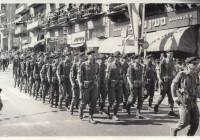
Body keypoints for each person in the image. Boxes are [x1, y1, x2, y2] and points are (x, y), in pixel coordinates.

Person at [170, 57, 199, 136]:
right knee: (184, 122)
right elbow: (173, 85)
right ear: (188, 65)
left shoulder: (195, 74)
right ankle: (173, 129)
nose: (196, 65)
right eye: (194, 64)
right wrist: (174, 97)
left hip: (193, 101)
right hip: (184, 102)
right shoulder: (181, 74)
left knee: (195, 123)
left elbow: (197, 86)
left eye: (197, 63)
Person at [78, 50, 99, 124]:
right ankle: (80, 110)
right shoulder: (83, 64)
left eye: (94, 55)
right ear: (88, 56)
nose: (93, 57)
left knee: (93, 101)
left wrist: (96, 81)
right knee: (84, 101)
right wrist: (81, 83)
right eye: (92, 55)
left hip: (93, 85)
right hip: (86, 85)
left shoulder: (96, 64)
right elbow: (79, 75)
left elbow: (97, 74)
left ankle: (91, 117)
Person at [154, 51, 178, 117]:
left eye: (172, 54)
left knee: (171, 95)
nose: (171, 55)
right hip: (164, 81)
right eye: (169, 54)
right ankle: (156, 105)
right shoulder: (163, 61)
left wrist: (174, 77)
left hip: (170, 81)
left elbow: (174, 71)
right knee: (162, 95)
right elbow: (158, 70)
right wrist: (159, 79)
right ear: (167, 54)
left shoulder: (173, 62)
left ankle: (171, 110)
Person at [105, 51, 123, 121]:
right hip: (111, 85)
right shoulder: (110, 65)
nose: (117, 58)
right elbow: (106, 77)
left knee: (118, 100)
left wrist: (121, 80)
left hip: (118, 85)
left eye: (119, 57)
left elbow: (121, 74)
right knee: (111, 100)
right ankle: (108, 110)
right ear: (114, 57)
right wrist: (107, 85)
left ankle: (114, 114)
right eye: (116, 57)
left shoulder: (120, 65)